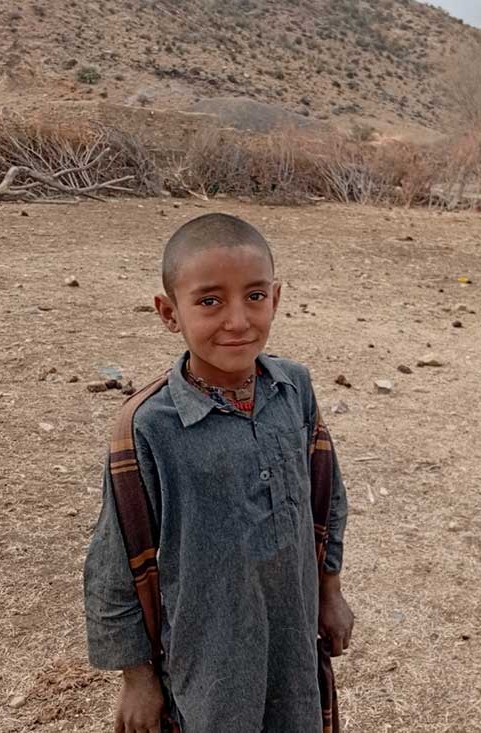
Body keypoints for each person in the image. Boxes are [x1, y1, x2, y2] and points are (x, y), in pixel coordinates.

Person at [84, 213, 353, 732]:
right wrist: (137, 678)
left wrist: (330, 591)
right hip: (209, 657)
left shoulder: (292, 387)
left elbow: (326, 496)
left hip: (293, 634)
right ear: (169, 312)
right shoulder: (149, 427)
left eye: (254, 296)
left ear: (275, 297)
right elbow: (115, 561)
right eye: (210, 301)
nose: (237, 320)